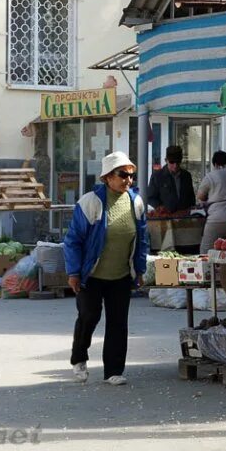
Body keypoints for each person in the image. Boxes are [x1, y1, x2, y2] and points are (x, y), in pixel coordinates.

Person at [65, 152, 149, 386]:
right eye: (123, 175)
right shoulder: (90, 203)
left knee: (118, 322)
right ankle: (79, 358)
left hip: (121, 274)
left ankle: (113, 370)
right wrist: (73, 272)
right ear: (107, 177)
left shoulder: (137, 202)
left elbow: (142, 239)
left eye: (131, 175)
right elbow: (73, 240)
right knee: (89, 316)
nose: (128, 180)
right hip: (91, 275)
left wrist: (139, 270)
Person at [145, 145, 195, 215]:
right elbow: (150, 197)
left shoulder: (186, 176)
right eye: (172, 162)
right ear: (166, 160)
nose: (175, 165)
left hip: (184, 217)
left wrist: (189, 209)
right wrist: (160, 207)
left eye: (178, 162)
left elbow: (191, 198)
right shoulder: (157, 176)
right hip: (165, 217)